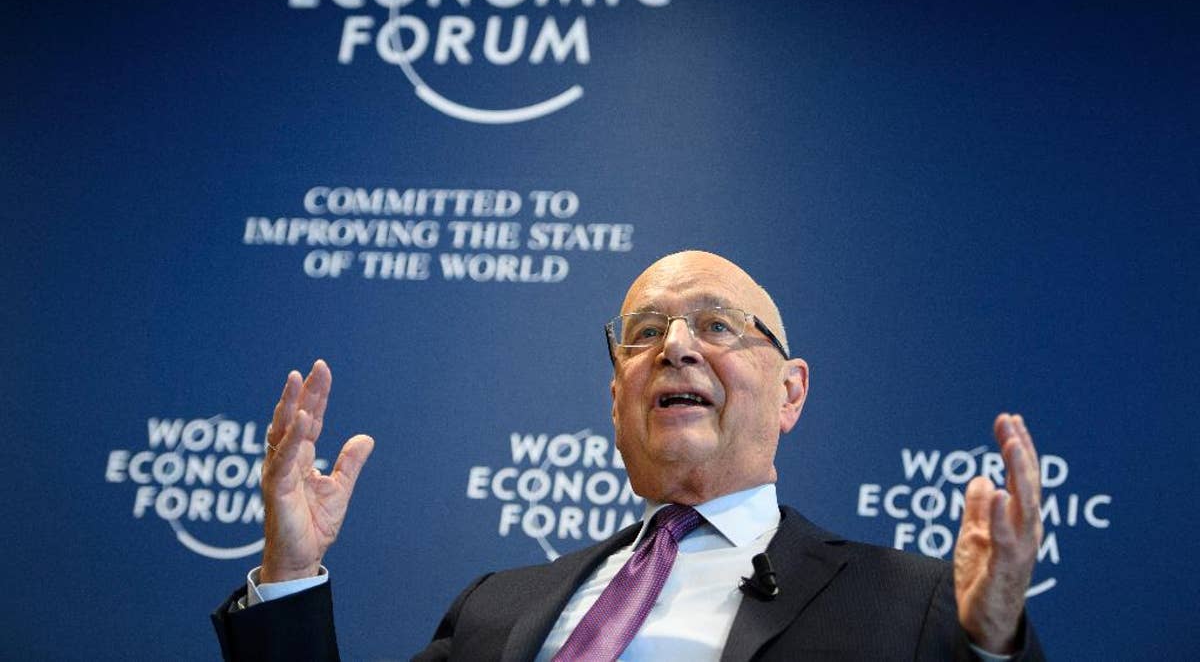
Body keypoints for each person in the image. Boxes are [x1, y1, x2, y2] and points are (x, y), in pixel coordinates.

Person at [213, 250, 1045, 661]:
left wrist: (988, 642)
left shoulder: (915, 603)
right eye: (645, 333)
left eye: (718, 326)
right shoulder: (495, 607)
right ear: (617, 398)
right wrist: (289, 569)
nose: (676, 347)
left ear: (790, 392)